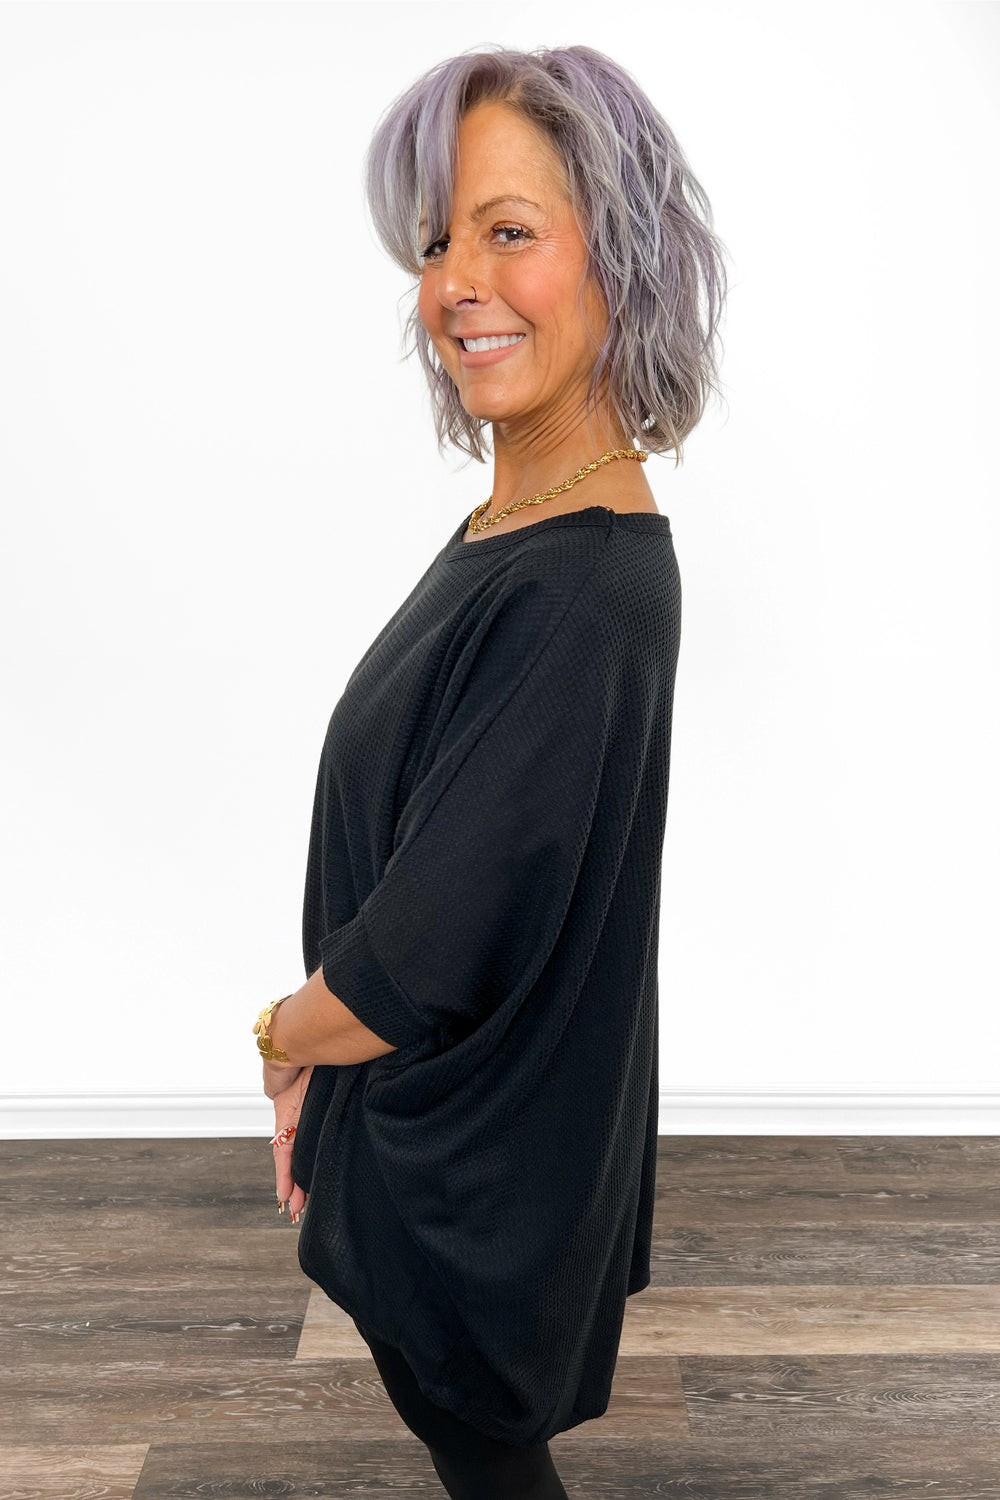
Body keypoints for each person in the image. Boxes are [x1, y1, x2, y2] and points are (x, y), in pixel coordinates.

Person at [254, 42, 728, 1500]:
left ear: (623, 257)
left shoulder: (583, 585)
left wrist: (282, 1034)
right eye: (435, 242)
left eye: (509, 231)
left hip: (471, 1166)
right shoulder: (516, 524)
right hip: (435, 1133)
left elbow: (427, 948)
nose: (456, 282)